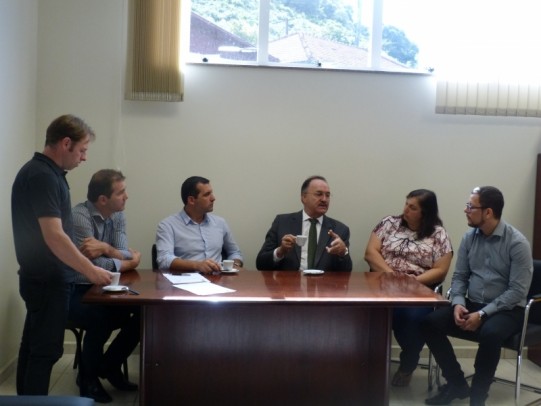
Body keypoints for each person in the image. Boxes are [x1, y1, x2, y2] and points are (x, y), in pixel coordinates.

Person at [11, 115, 112, 396]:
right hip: (47, 280)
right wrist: (92, 272)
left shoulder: (46, 174)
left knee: (33, 349)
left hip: (42, 278)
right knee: (44, 353)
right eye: (82, 150)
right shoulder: (43, 176)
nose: (84, 158)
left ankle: (26, 403)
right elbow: (54, 235)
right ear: (65, 143)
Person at [421, 186, 533, 406]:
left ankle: (477, 398)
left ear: (488, 212)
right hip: (473, 303)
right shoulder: (469, 238)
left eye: (471, 206)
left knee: (490, 334)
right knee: (429, 323)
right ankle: (457, 384)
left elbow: (517, 291)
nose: (465, 210)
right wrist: (458, 304)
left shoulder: (517, 243)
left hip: (508, 309)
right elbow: (460, 277)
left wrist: (482, 314)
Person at [364, 189, 453, 387]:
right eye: (406, 204)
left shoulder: (438, 234)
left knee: (413, 318)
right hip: (381, 286)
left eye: (412, 207)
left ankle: (408, 362)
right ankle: (368, 364)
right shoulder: (388, 223)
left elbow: (441, 270)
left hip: (417, 290)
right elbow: (371, 253)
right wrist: (391, 275)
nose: (405, 209)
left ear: (425, 212)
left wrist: (412, 282)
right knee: (365, 315)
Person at [69, 169, 141, 403]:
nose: (127, 197)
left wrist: (107, 249)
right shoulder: (79, 216)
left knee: (144, 312)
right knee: (99, 319)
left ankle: (109, 366)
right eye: (121, 192)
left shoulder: (118, 214)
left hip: (106, 287)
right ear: (103, 200)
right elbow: (94, 263)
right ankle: (88, 379)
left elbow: (120, 251)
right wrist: (126, 260)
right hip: (75, 288)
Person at [256, 175, 352, 271]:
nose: (324, 199)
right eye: (319, 194)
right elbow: (260, 264)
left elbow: (347, 272)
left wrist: (343, 252)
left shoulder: (340, 229)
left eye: (327, 195)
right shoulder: (282, 223)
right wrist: (280, 251)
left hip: (324, 284)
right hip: (288, 284)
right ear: (303, 197)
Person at [155, 176, 243, 273]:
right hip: (185, 282)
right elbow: (164, 259)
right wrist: (197, 265)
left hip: (218, 281)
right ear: (191, 200)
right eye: (207, 195)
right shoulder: (168, 225)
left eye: (211, 193)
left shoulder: (220, 223)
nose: (213, 198)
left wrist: (234, 265)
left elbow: (234, 252)